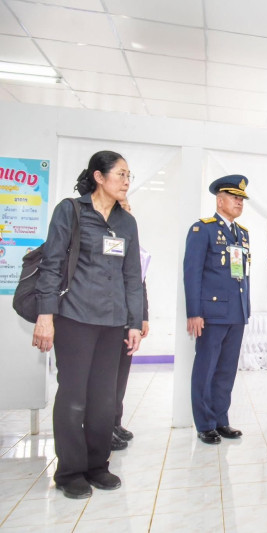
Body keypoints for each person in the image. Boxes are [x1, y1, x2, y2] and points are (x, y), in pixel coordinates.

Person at [32, 150, 143, 499]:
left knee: (104, 399)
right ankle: (69, 471)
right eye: (121, 174)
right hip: (75, 318)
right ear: (99, 176)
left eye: (129, 176)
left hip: (112, 323)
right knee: (73, 396)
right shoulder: (71, 211)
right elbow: (51, 265)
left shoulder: (127, 222)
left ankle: (98, 465)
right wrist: (45, 316)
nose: (126, 181)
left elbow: (133, 276)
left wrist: (134, 322)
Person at [184, 174, 251, 445]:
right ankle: (205, 424)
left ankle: (221, 420)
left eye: (242, 199)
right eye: (234, 198)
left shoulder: (242, 233)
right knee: (206, 368)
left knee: (226, 370)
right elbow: (192, 273)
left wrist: (246, 309)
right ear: (219, 200)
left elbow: (243, 275)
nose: (239, 202)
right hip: (211, 314)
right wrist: (194, 312)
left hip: (236, 313)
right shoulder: (203, 230)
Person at [111, 198, 150, 451]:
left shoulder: (132, 243)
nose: (127, 210)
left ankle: (115, 422)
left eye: (128, 207)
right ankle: (102, 426)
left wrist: (143, 316)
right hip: (107, 318)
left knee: (120, 375)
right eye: (121, 206)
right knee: (106, 377)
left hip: (128, 320)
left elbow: (139, 283)